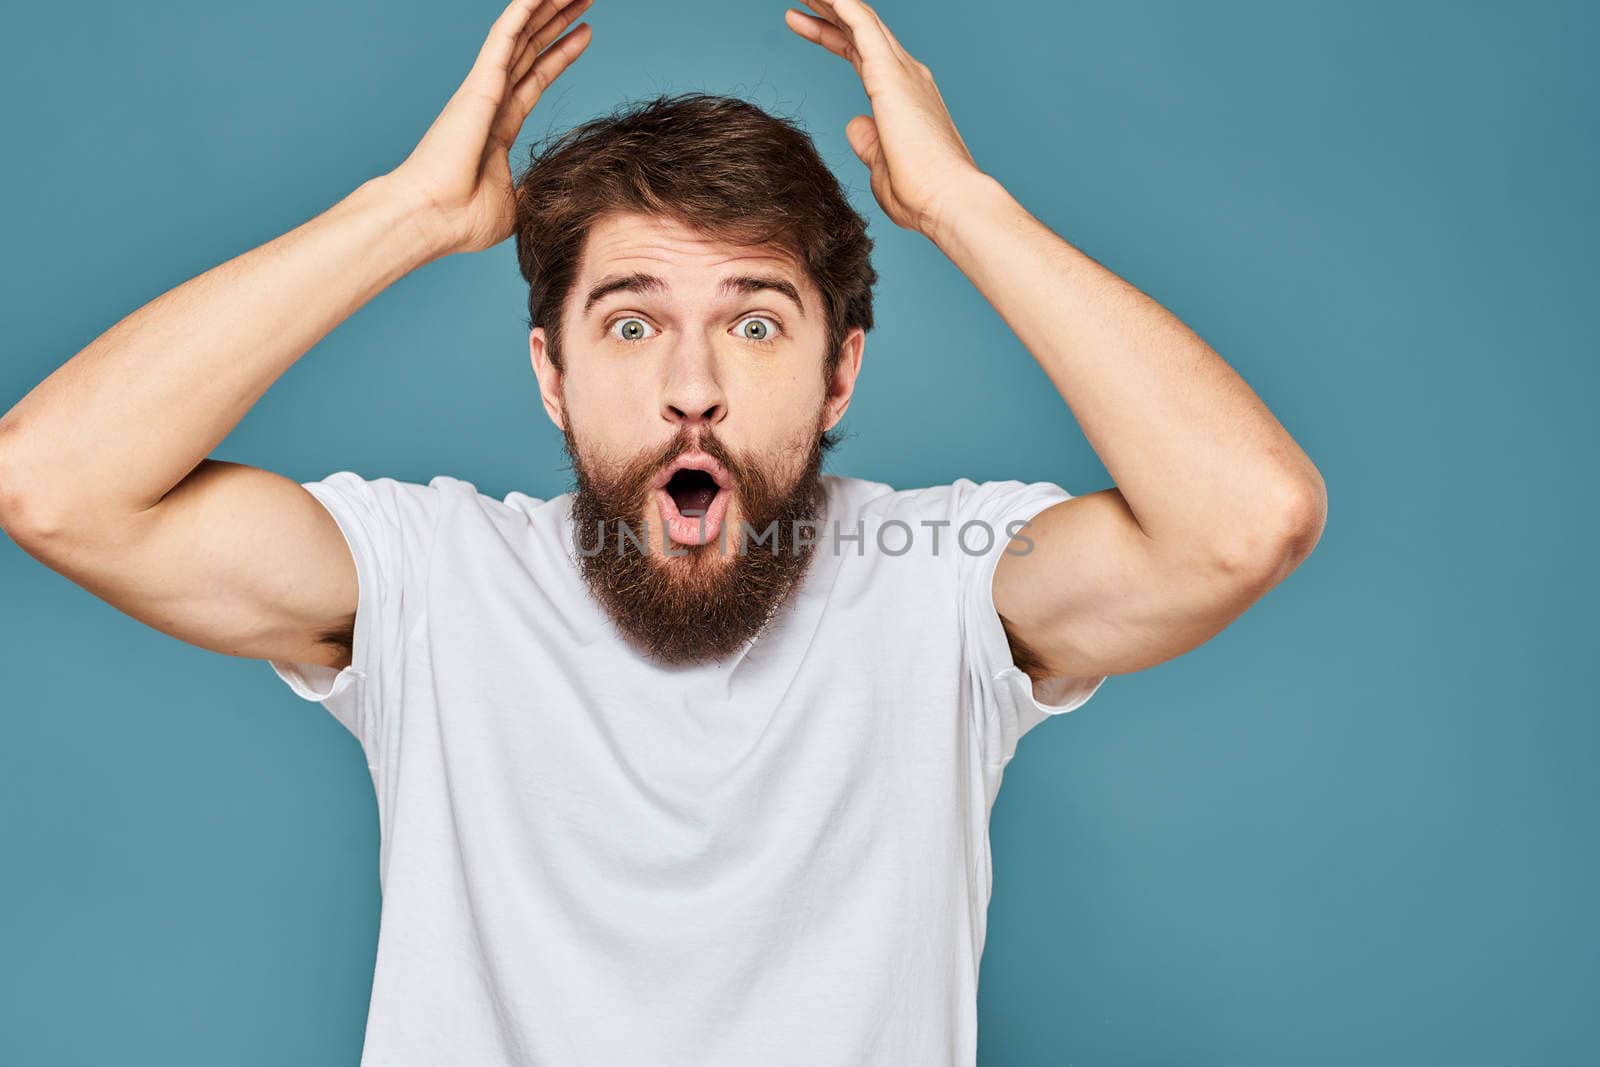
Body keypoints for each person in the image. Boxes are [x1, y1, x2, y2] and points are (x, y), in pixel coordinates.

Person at [0, 0, 1326, 1063]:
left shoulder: (948, 590)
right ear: (553, 375)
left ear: (840, 373)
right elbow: (52, 485)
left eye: (757, 321)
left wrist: (963, 206)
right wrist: (405, 215)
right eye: (632, 322)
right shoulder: (430, 583)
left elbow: (1244, 521)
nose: (694, 386)